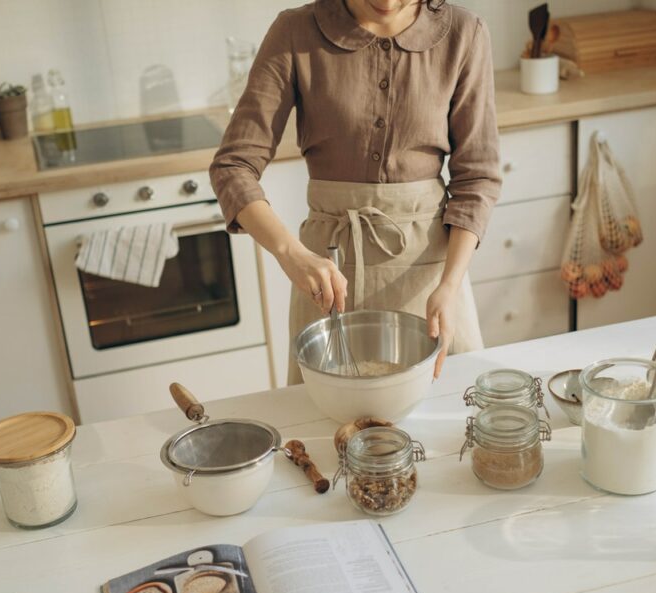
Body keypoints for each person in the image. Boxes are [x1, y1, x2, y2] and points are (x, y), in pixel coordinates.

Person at [210, 0, 501, 383]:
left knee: (449, 427)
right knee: (329, 432)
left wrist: (448, 285)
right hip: (326, 279)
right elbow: (233, 166)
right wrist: (291, 255)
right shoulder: (296, 31)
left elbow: (477, 176)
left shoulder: (465, 34)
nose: (386, 2)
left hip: (432, 281)